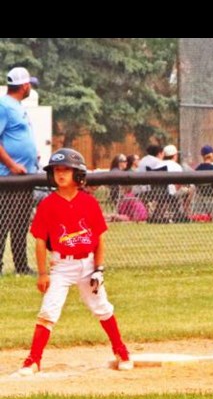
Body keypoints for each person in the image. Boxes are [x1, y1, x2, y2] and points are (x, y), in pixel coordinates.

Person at [17, 148, 134, 376]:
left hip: (87, 265)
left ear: (77, 174)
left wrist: (98, 269)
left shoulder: (88, 203)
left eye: (66, 170)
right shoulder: (48, 204)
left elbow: (99, 238)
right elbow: (40, 242)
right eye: (57, 170)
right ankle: (33, 360)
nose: (60, 174)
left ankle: (121, 351)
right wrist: (42, 273)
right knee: (48, 311)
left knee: (102, 307)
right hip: (61, 266)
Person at [0, 67, 40, 276]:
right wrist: (12, 164)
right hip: (9, 177)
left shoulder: (16, 106)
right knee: (3, 223)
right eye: (30, 84)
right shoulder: (3, 105)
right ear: (24, 86)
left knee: (20, 224)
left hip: (25, 176)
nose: (31, 88)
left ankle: (22, 266)